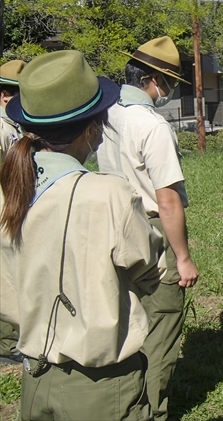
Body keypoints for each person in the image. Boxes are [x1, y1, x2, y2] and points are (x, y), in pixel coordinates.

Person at [0, 50, 161, 420]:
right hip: (102, 386)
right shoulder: (108, 194)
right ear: (91, 129)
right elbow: (151, 268)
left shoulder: (12, 189)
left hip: (35, 377)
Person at [97, 36, 199, 421]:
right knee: (162, 322)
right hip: (153, 228)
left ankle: (122, 400)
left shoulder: (108, 115)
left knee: (128, 319)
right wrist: (184, 258)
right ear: (154, 80)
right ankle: (152, 410)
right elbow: (168, 198)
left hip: (116, 224)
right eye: (169, 82)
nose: (168, 91)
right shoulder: (152, 125)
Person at [0, 59, 27, 365]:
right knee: (5, 279)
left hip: (13, 210)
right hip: (4, 212)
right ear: (6, 96)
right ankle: (8, 345)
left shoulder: (12, 127)